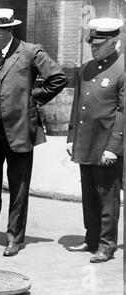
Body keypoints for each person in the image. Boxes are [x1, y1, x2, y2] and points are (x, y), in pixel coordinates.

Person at [0, 8, 67, 256]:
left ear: (10, 29)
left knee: (19, 186)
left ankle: (14, 238)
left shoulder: (31, 52)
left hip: (19, 128)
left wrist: (32, 100)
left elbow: (57, 78)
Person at [66, 18, 124, 263]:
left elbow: (123, 113)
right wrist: (71, 138)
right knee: (89, 193)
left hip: (107, 145)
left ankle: (107, 244)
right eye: (93, 43)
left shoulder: (122, 69)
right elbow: (77, 105)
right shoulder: (87, 68)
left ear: (114, 42)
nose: (94, 47)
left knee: (107, 197)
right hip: (86, 142)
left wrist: (114, 147)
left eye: (100, 44)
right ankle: (91, 238)